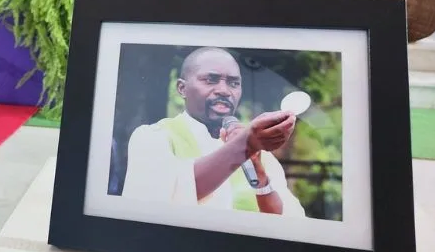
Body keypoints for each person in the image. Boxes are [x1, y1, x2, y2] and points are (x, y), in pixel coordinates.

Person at [122, 47, 305, 216]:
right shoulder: (153, 137)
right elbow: (155, 203)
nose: (224, 91)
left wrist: (260, 175)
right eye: (211, 80)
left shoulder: (260, 153)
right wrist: (243, 147)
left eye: (234, 83)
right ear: (182, 88)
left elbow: (289, 220)